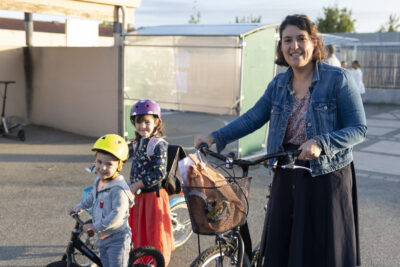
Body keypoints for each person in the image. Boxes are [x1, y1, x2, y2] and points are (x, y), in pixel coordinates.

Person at [195, 14, 366, 267]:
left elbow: (359, 129)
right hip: (287, 170)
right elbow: (253, 117)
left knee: (324, 249)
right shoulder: (278, 84)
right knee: (281, 244)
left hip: (327, 176)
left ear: (314, 43)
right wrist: (214, 137)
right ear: (281, 46)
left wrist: (321, 142)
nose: (294, 46)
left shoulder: (337, 79)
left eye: (301, 39)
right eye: (287, 40)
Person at [68, 134, 134, 267]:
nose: (102, 167)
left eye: (109, 164)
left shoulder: (119, 190)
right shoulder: (100, 180)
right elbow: (93, 196)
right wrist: (79, 207)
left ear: (119, 166)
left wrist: (94, 226)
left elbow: (116, 217)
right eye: (99, 162)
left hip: (118, 239)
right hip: (103, 237)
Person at [128, 99, 174, 266]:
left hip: (152, 196)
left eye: (147, 122)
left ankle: (157, 261)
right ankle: (140, 258)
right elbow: (121, 153)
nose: (142, 126)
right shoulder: (137, 142)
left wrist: (137, 184)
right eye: (138, 122)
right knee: (138, 228)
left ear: (156, 122)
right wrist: (103, 159)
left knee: (154, 231)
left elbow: (160, 173)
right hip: (138, 196)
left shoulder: (158, 144)